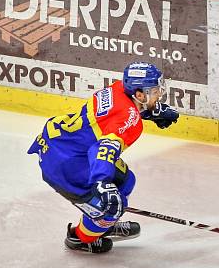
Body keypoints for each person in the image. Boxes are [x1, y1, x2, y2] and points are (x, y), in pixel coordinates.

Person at [26, 62, 179, 254]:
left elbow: (116, 114)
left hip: (61, 144)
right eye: (156, 92)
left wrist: (150, 111)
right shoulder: (130, 121)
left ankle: (102, 225)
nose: (160, 95)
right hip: (66, 164)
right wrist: (101, 182)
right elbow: (104, 148)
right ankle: (81, 238)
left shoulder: (117, 88)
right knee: (110, 207)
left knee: (125, 180)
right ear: (139, 95)